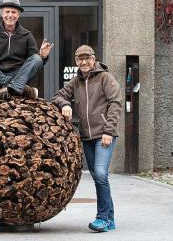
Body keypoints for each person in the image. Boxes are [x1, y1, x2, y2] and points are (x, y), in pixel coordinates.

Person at [52, 45, 123, 232]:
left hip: (104, 136)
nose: (83, 62)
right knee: (98, 177)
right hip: (86, 137)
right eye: (80, 59)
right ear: (76, 61)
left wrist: (108, 131)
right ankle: (110, 219)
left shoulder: (105, 78)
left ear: (94, 59)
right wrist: (66, 103)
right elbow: (57, 97)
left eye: (87, 58)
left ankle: (102, 218)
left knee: (100, 174)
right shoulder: (75, 82)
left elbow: (116, 103)